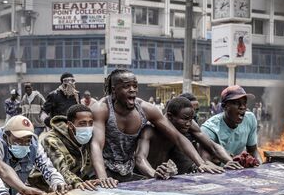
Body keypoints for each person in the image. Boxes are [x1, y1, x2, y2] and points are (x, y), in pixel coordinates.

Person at [90, 69, 223, 186]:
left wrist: (201, 164)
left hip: (129, 170)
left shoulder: (146, 109)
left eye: (135, 86)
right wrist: (103, 178)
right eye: (126, 86)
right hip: (103, 168)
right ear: (114, 89)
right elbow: (96, 144)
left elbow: (177, 137)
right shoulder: (102, 109)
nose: (132, 90)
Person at [135, 96, 241, 179]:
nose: (188, 124)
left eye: (191, 119)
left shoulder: (188, 124)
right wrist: (153, 174)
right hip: (142, 176)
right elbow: (140, 158)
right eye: (185, 119)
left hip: (164, 176)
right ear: (170, 116)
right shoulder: (150, 130)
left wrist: (229, 161)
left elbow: (212, 146)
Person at [29, 104, 97, 191]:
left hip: (71, 185)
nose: (87, 128)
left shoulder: (90, 138)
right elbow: (61, 168)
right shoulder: (51, 140)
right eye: (82, 123)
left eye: (90, 123)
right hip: (42, 187)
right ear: (70, 125)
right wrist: (77, 183)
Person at [201, 85, 262, 163]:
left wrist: (260, 168)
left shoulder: (250, 119)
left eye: (244, 103)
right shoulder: (209, 129)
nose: (242, 107)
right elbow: (205, 162)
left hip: (239, 171)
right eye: (237, 103)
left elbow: (253, 151)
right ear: (224, 106)